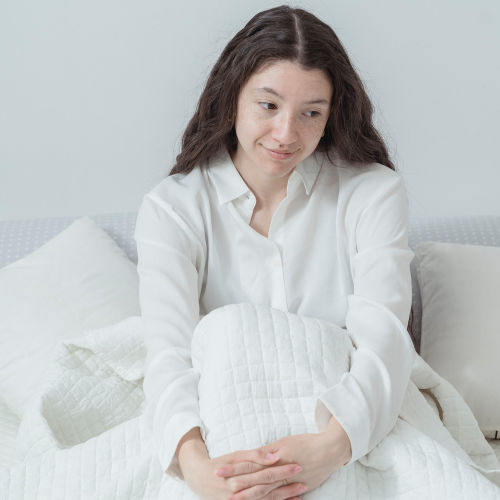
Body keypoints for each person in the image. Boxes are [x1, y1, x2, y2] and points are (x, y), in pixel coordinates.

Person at [134, 5, 415, 499]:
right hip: (219, 431)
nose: (287, 134)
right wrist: (199, 470)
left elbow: (384, 343)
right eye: (268, 106)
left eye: (311, 113)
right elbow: (169, 355)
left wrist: (331, 448)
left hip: (346, 423)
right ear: (232, 99)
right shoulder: (172, 208)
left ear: (331, 116)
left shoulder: (373, 193)